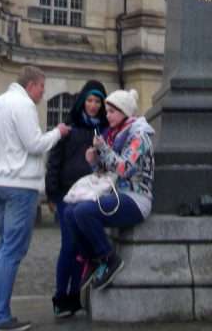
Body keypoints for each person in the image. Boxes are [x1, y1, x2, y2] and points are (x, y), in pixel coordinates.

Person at [0, 65, 71, 331]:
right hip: (20, 185)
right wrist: (59, 132)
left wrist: (2, 150)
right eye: (42, 87)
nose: (43, 93)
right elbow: (35, 144)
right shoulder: (24, 105)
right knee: (12, 250)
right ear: (31, 85)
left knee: (3, 248)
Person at [63, 88, 154, 293]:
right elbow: (107, 172)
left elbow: (123, 168)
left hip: (136, 198)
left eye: (112, 111)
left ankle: (109, 258)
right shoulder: (117, 134)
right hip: (116, 194)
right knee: (69, 212)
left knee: (83, 212)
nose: (107, 115)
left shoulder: (139, 136)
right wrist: (94, 161)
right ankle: (92, 259)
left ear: (124, 112)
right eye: (107, 111)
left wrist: (103, 149)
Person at [45, 80, 108, 318]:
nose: (93, 105)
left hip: (91, 195)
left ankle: (75, 295)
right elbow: (54, 161)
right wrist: (51, 193)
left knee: (84, 247)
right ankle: (62, 296)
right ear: (83, 102)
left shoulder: (103, 130)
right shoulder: (69, 128)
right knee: (69, 245)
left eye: (97, 101)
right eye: (90, 100)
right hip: (66, 194)